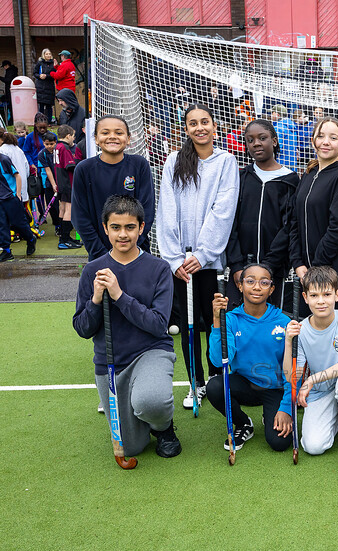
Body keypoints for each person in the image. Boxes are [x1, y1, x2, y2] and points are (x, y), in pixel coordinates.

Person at [72, 194, 180, 458]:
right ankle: (140, 416)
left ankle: (163, 426)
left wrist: (119, 296)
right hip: (110, 360)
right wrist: (96, 300)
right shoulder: (93, 271)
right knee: (131, 448)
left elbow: (157, 325)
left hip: (150, 351)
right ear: (105, 228)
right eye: (116, 227)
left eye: (130, 227)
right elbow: (83, 329)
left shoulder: (159, 268)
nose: (123, 235)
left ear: (141, 228)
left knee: (151, 402)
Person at [157, 104, 240, 409]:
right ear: (186, 129)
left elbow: (223, 209)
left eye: (205, 122)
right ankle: (197, 383)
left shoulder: (226, 161)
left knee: (214, 323)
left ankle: (218, 382)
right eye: (193, 123)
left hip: (209, 262)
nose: (200, 127)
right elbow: (167, 208)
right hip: (181, 265)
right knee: (189, 326)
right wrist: (175, 259)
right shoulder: (174, 161)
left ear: (214, 126)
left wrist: (203, 253)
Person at [282, 266, 338, 459]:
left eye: (327, 294)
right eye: (314, 295)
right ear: (305, 298)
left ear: (337, 295)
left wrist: (313, 379)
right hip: (321, 390)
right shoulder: (302, 329)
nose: (321, 301)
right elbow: (292, 376)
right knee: (313, 446)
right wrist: (289, 343)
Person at [206, 262, 294, 452]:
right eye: (250, 281)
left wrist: (286, 408)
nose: (256, 287)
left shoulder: (284, 321)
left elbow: (293, 369)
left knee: (279, 444)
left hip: (275, 387)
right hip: (245, 384)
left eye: (264, 283)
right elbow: (218, 360)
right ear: (240, 285)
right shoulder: (230, 319)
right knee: (214, 386)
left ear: (272, 289)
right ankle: (243, 423)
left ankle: (272, 413)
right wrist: (216, 320)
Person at [289, 116, 338, 312]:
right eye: (320, 136)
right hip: (309, 276)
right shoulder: (308, 174)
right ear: (313, 140)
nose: (326, 142)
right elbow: (295, 221)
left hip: (336, 277)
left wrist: (316, 266)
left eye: (333, 137)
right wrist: (298, 263)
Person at [226, 119, 300, 305]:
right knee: (236, 325)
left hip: (273, 269)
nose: (256, 143)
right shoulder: (240, 178)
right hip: (241, 270)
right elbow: (230, 223)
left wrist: (269, 265)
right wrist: (236, 265)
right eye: (250, 140)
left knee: (271, 325)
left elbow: (290, 226)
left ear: (274, 141)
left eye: (262, 138)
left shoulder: (290, 180)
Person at [72, 115, 155, 261]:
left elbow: (147, 211)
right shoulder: (84, 169)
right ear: (96, 139)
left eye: (119, 132)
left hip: (138, 253)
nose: (112, 137)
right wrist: (102, 255)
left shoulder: (139, 165)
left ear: (128, 138)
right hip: (99, 255)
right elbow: (80, 217)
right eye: (105, 133)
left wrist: (131, 248)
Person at [0, 151, 36, 261]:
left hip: (10, 197)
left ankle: (30, 239)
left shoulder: (3, 159)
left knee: (18, 224)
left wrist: (18, 194)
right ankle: (6, 251)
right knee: (2, 225)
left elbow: (17, 175)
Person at [54, 125, 83, 249]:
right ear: (68, 136)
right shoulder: (64, 148)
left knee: (63, 208)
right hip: (67, 183)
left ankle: (64, 237)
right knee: (69, 210)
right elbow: (69, 166)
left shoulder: (57, 146)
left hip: (60, 182)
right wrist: (80, 164)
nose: (74, 139)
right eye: (73, 136)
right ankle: (64, 240)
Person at [36, 132, 60, 231]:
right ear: (43, 143)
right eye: (47, 144)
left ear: (55, 142)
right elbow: (47, 170)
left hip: (61, 180)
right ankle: (57, 225)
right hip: (48, 183)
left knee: (64, 203)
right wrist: (54, 184)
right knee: (53, 205)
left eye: (51, 144)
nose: (49, 146)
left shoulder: (59, 151)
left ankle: (66, 223)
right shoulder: (42, 154)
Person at [269, 104, 299, 169]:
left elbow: (277, 147)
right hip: (292, 164)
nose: (271, 115)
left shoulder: (279, 128)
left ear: (277, 115)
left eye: (272, 113)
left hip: (280, 164)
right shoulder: (293, 127)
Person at [33, 49, 57, 122]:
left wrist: (46, 76)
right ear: (43, 55)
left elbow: (55, 74)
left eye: (49, 54)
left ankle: (49, 121)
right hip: (40, 86)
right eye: (47, 54)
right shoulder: (40, 63)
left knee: (49, 105)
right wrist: (39, 76)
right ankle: (41, 121)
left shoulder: (53, 64)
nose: (48, 55)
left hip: (49, 86)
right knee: (41, 105)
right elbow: (35, 73)